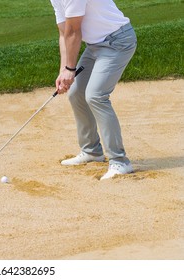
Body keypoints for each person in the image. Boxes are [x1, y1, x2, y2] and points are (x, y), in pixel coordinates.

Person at [49, 0, 137, 180]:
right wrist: (63, 70)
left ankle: (120, 161)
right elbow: (64, 32)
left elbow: (74, 30)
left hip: (117, 41)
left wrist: (70, 69)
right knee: (76, 93)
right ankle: (92, 151)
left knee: (96, 96)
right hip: (95, 47)